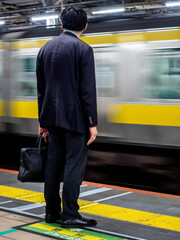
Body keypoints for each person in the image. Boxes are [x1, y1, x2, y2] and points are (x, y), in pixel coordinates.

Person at [36, 6, 98, 228]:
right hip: (76, 120)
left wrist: (42, 123)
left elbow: (41, 90)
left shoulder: (45, 48)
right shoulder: (83, 49)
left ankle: (51, 212)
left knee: (53, 166)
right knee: (74, 166)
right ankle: (70, 214)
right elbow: (87, 90)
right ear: (84, 26)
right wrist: (92, 123)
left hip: (51, 118)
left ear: (61, 24)